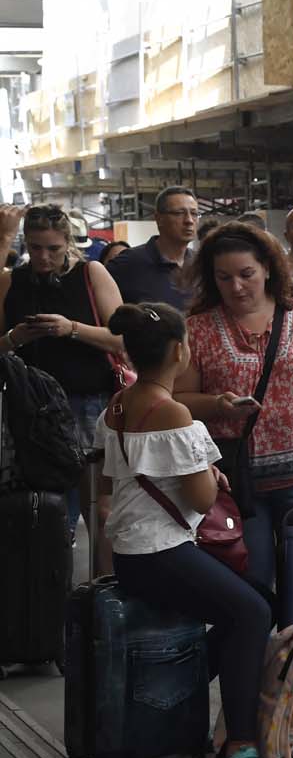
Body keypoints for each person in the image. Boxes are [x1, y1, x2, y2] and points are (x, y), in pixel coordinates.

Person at [99, 302, 273, 758]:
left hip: (133, 551)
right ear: (180, 350)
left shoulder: (117, 405)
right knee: (252, 614)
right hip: (163, 551)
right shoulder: (173, 413)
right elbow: (200, 498)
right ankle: (239, 749)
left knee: (258, 604)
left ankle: (178, 688)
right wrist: (206, 472)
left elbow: (115, 479)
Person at [173, 222, 293, 592]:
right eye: (223, 278)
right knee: (251, 582)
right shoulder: (198, 330)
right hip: (235, 483)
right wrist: (217, 404)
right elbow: (179, 402)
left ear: (268, 268)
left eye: (246, 274)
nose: (236, 287)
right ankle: (259, 649)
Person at [1, 204, 127, 546]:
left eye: (53, 249)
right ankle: (52, 583)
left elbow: (122, 337)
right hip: (29, 408)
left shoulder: (91, 274)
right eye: (36, 247)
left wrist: (71, 328)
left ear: (68, 243)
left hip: (88, 400)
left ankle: (101, 586)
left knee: (100, 509)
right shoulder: (13, 280)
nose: (43, 258)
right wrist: (15, 338)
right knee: (49, 510)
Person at [108, 186, 197, 309]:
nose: (189, 220)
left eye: (194, 213)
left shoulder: (201, 264)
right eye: (179, 213)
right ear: (159, 219)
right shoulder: (128, 263)